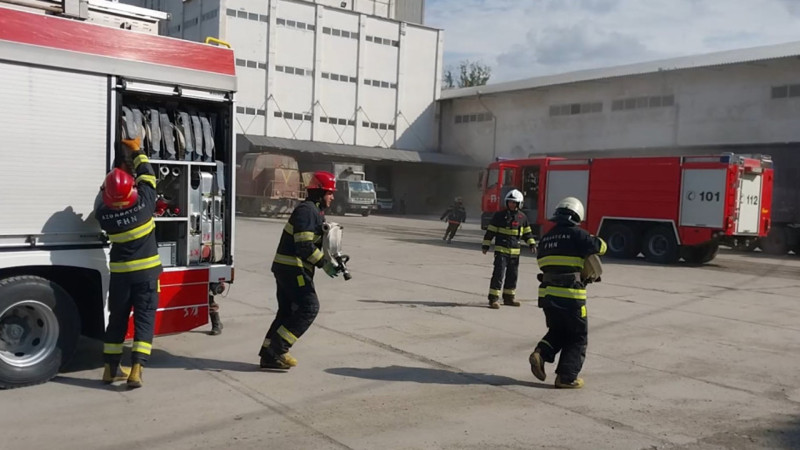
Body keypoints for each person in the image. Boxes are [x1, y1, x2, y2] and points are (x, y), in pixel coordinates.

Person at [95, 136, 161, 389]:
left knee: (117, 320)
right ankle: (136, 371)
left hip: (120, 277)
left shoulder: (104, 215)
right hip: (146, 277)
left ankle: (110, 370)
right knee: (144, 319)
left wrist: (112, 176)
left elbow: (103, 196)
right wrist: (135, 150)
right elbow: (148, 176)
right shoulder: (144, 204)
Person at [259, 171, 340, 369]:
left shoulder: (315, 211)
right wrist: (324, 264)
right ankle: (279, 347)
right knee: (309, 307)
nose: (332, 197)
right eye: (329, 193)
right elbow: (304, 246)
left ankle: (268, 356)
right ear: (319, 192)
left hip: (287, 268)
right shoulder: (307, 211)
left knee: (287, 312)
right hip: (292, 268)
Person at [528, 197, 607, 389]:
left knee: (558, 331)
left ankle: (541, 353)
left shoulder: (546, 238)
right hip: (571, 296)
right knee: (578, 336)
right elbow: (601, 247)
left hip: (547, 296)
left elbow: (542, 263)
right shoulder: (577, 234)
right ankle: (566, 377)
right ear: (577, 215)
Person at [482, 189, 536, 309]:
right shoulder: (499, 216)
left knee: (513, 276)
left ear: (519, 203)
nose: (511, 204)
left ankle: (509, 298)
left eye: (514, 202)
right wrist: (486, 245)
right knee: (498, 275)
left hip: (515, 253)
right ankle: (493, 299)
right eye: (510, 202)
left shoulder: (522, 217)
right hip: (501, 251)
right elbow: (490, 231)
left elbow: (527, 233)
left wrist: (532, 244)